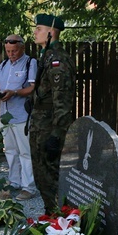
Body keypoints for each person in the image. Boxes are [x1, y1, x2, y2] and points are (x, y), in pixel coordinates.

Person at [29, 14, 76, 213]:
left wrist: (57, 135)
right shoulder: (47, 56)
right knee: (41, 175)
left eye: (39, 28)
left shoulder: (58, 60)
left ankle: (62, 219)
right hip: (41, 125)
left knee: (51, 174)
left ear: (51, 32)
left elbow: (62, 101)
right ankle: (52, 215)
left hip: (49, 128)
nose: (35, 32)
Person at [0, 34, 38, 200]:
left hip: (22, 115)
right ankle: (14, 183)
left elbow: (32, 88)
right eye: (8, 51)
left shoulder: (30, 63)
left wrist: (15, 92)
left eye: (14, 51)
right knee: (10, 151)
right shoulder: (3, 65)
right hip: (5, 115)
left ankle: (29, 188)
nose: (11, 54)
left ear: (22, 48)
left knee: (25, 152)